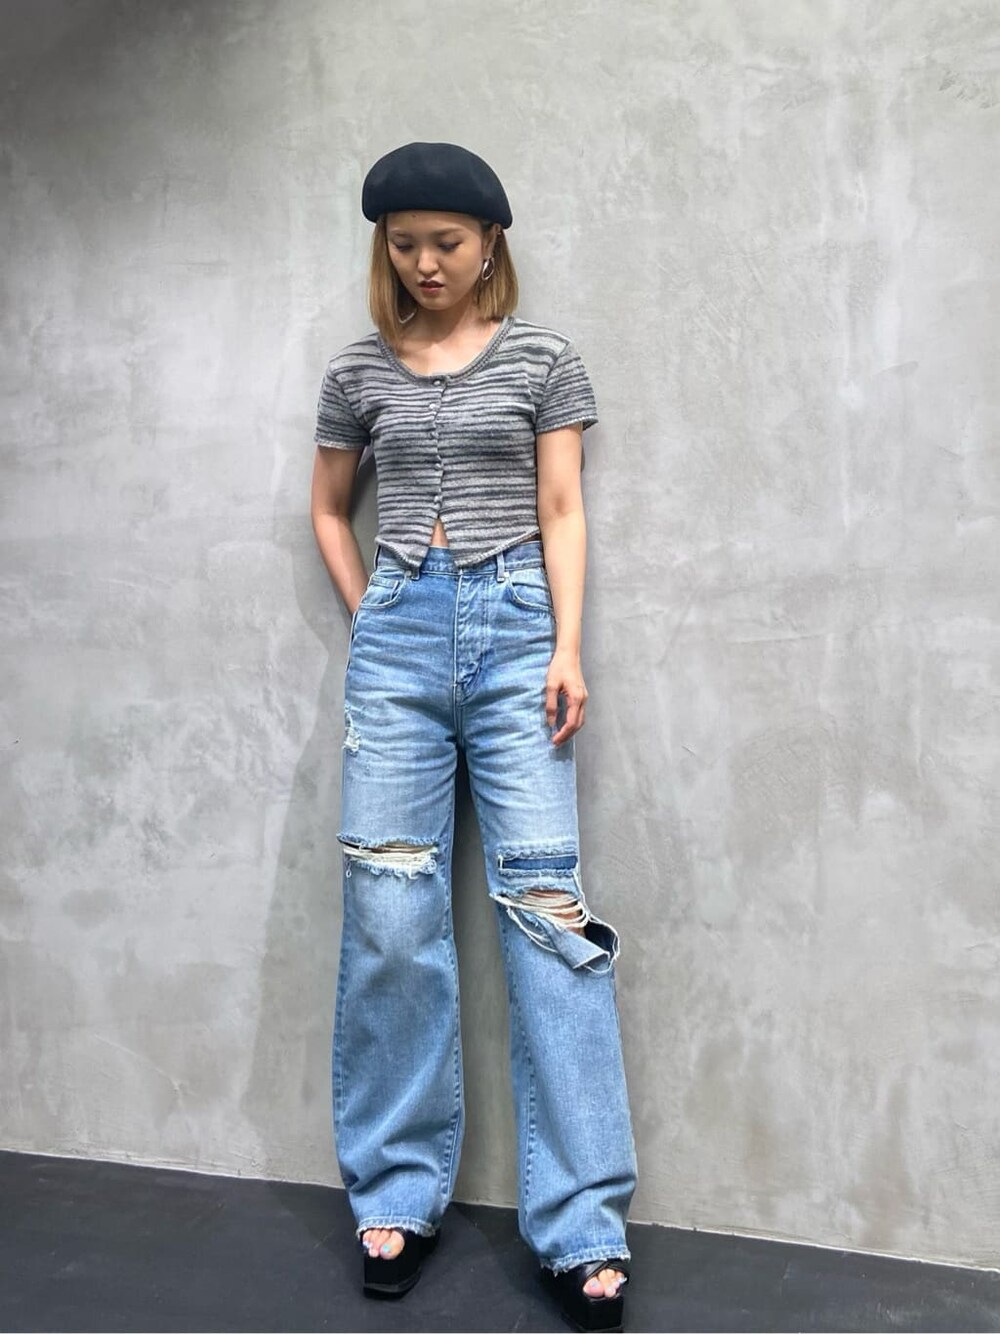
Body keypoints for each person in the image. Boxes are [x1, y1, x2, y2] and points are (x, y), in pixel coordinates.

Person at [310, 141, 638, 1332]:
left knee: (547, 914)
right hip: (399, 634)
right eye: (403, 243)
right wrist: (378, 617)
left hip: (517, 637)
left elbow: (562, 505)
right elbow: (328, 507)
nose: (425, 262)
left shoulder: (543, 358)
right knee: (390, 915)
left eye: (445, 240)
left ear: (489, 240)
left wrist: (565, 646)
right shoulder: (357, 369)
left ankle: (582, 1220)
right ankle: (396, 1193)